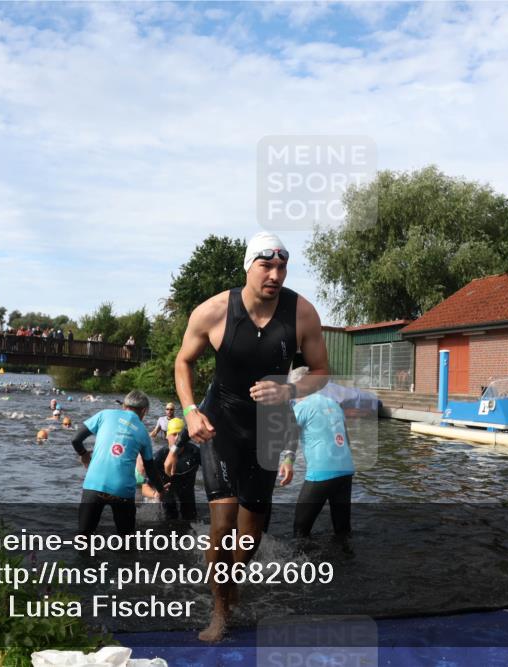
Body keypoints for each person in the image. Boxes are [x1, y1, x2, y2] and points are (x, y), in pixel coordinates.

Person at [165, 231, 329, 642]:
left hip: (268, 427)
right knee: (221, 524)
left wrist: (289, 390)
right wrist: (189, 412)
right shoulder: (214, 310)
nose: (275, 274)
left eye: (282, 266)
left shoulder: (302, 313)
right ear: (248, 266)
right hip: (220, 421)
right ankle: (220, 611)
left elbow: (322, 373)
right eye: (266, 265)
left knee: (251, 533)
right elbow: (183, 363)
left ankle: (231, 585)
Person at [70, 390, 166, 536]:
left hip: (94, 484)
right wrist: (160, 490)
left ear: (124, 406)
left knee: (84, 536)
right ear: (144, 411)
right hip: (122, 491)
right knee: (126, 541)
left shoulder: (104, 414)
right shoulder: (143, 432)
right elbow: (150, 468)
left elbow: (75, 440)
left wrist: (84, 455)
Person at [278, 367, 355, 539]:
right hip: (346, 470)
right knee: (342, 530)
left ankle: (303, 565)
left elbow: (291, 433)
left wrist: (288, 460)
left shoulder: (302, 406)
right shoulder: (334, 404)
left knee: (300, 529)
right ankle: (346, 560)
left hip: (322, 472)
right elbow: (347, 440)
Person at [156, 418, 201, 521]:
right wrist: (155, 493)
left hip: (187, 493)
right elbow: (146, 486)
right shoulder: (159, 457)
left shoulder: (195, 452)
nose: (177, 438)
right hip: (168, 494)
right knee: (169, 520)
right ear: (166, 435)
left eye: (179, 435)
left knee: (190, 518)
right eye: (174, 434)